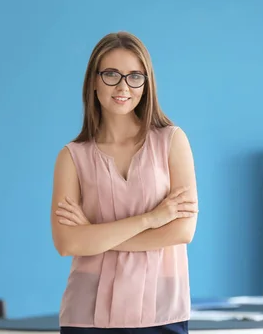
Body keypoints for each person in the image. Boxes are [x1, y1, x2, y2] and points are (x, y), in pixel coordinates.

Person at [50, 31, 199, 334]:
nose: (122, 86)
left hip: (161, 311)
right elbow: (67, 243)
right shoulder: (72, 157)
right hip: (86, 315)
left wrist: (94, 237)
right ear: (93, 81)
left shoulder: (171, 142)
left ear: (146, 84)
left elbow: (183, 230)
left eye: (134, 77)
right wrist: (152, 219)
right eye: (111, 74)